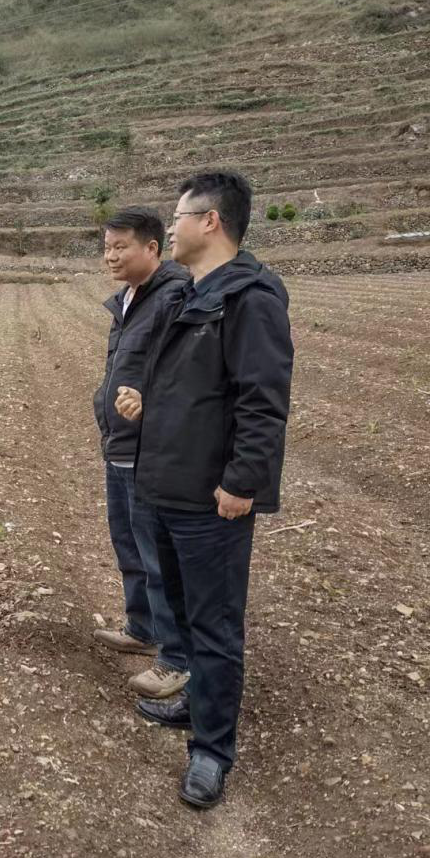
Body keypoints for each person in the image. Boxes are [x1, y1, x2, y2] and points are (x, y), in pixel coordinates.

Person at [114, 172, 293, 809]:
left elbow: (262, 402)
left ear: (210, 221)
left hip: (210, 499)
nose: (170, 228)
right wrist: (146, 403)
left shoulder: (250, 298)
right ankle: (192, 702)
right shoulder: (190, 294)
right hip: (165, 484)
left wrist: (242, 482)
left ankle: (212, 751)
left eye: (179, 217)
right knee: (184, 614)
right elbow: (193, 389)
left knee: (215, 628)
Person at [91, 207, 191, 701]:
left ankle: (176, 658)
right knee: (128, 541)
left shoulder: (172, 296)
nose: (110, 256)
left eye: (120, 247)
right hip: (121, 443)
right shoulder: (130, 299)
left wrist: (149, 406)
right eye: (106, 247)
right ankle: (142, 627)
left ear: (151, 248)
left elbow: (182, 371)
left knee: (158, 555)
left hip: (150, 447)